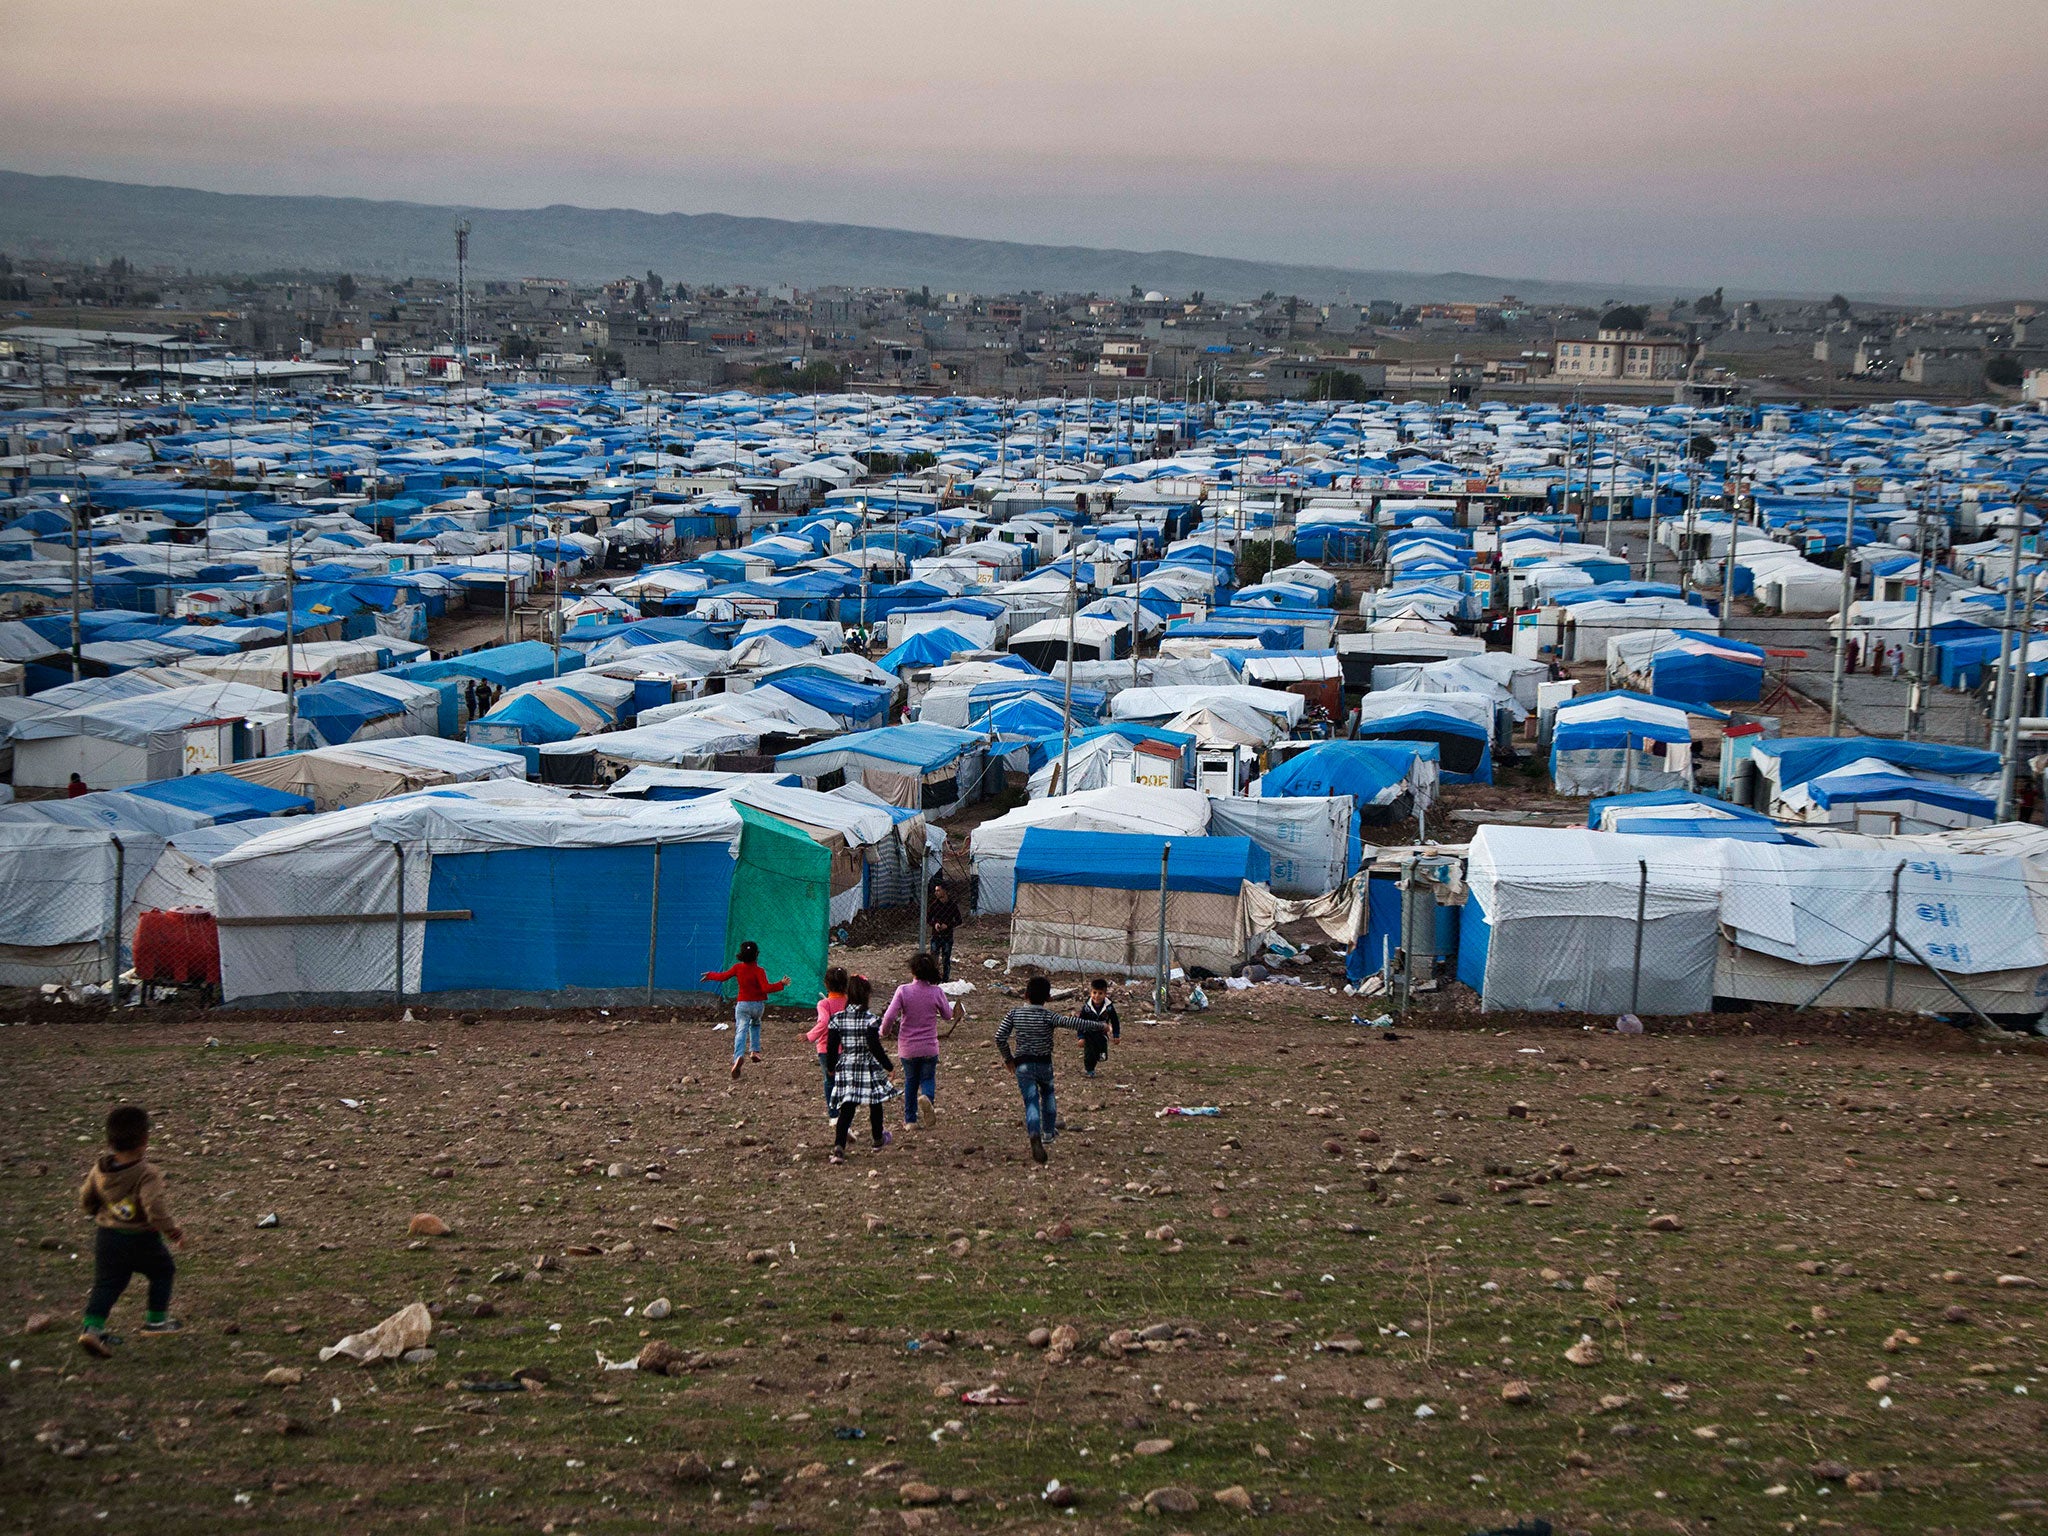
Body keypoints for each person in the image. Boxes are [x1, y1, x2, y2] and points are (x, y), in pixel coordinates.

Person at [77, 1105, 183, 1358]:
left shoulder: (100, 1169)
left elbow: (86, 1197)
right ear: (146, 1140)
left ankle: (91, 1330)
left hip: (107, 1237)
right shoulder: (147, 1174)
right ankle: (156, 1321)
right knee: (162, 1271)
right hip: (140, 1239)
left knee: (107, 1284)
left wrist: (93, 1211)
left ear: (110, 1140)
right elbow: (154, 1208)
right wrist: (172, 1231)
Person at [995, 975, 1092, 1164]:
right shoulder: (1049, 1016)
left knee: (1031, 1101)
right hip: (1044, 1064)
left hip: (1022, 1065)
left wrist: (1008, 1059)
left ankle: (1034, 1133)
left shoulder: (1014, 1014)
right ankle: (1048, 1132)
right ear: (1048, 998)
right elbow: (1074, 1023)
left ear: (1025, 995)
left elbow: (1000, 1037)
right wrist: (1101, 1026)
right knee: (1048, 1095)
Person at [825, 975, 896, 1163]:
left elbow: (831, 1046)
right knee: (875, 1102)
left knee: (847, 1107)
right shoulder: (870, 1020)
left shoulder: (836, 1019)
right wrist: (888, 1065)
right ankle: (877, 1139)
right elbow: (874, 1046)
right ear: (867, 996)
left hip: (847, 1065)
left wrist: (830, 1067)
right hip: (867, 1066)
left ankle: (839, 1147)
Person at [881, 952, 956, 1127]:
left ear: (913, 970)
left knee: (910, 1081)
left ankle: (910, 1120)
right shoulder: (936, 992)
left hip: (908, 1047)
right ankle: (927, 1098)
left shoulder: (903, 991)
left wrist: (883, 1032)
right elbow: (947, 1015)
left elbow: (890, 1016)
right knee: (928, 1079)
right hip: (929, 1046)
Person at [701, 940, 789, 1080]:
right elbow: (766, 988)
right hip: (758, 1006)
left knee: (741, 1031)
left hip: (743, 1004)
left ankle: (738, 1056)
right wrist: (781, 984)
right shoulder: (759, 971)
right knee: (755, 1025)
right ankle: (754, 1051)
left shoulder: (738, 968)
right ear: (756, 955)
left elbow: (723, 977)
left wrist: (710, 975)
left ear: (741, 955)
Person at [806, 966, 850, 1120]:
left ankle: (834, 1115)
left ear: (826, 984)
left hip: (826, 1048)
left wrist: (809, 1035)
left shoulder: (824, 1004)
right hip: (847, 1049)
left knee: (830, 1081)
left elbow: (824, 1022)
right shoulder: (849, 1002)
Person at [1077, 976, 1120, 1078]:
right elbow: (1080, 1022)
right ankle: (1089, 1070)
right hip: (1089, 1034)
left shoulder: (1108, 1007)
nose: (1097, 996)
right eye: (1094, 993)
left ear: (1105, 994)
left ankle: (1095, 1061)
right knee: (1089, 1053)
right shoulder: (1087, 1008)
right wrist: (1081, 1037)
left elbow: (1115, 1021)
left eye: (1100, 993)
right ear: (1091, 993)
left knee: (1101, 1056)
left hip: (1102, 1034)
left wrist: (1116, 1035)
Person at [927, 881, 961, 982]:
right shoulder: (933, 905)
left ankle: (945, 979)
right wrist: (935, 924)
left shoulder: (952, 905)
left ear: (944, 891)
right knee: (934, 958)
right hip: (936, 935)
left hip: (947, 935)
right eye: (935, 891)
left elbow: (959, 920)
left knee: (946, 958)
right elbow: (928, 919)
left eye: (938, 890)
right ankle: (934, 978)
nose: (936, 893)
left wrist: (948, 925)